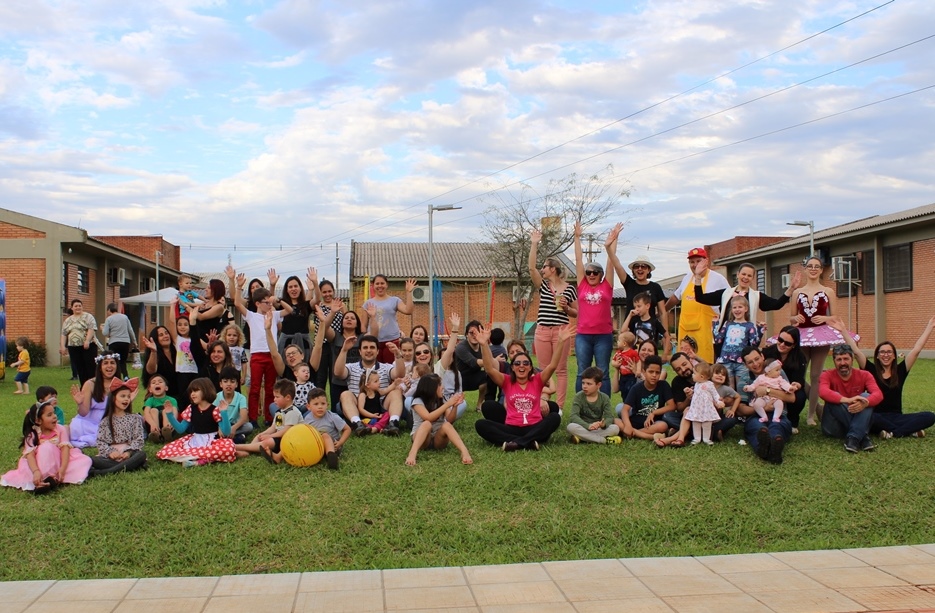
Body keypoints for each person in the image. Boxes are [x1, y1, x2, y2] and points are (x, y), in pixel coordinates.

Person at [833, 317, 935, 439]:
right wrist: (843, 330)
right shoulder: (870, 369)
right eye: (882, 352)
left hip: (897, 416)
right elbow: (856, 352)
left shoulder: (900, 370)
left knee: (930, 416)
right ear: (877, 356)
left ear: (893, 356)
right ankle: (908, 431)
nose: (885, 355)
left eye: (889, 352)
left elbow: (916, 350)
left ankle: (893, 432)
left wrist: (930, 327)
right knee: (869, 419)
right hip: (876, 416)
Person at [474, 324, 572, 451]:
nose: (522, 366)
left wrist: (560, 342)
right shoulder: (507, 381)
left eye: (526, 363)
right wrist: (483, 344)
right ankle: (529, 441)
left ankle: (515, 443)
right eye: (517, 363)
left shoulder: (537, 380)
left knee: (554, 418)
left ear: (530, 367)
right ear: (513, 367)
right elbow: (489, 369)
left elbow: (552, 366)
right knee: (480, 425)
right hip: (511, 426)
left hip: (534, 425)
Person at [793, 255, 857, 426]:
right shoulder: (797, 292)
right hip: (803, 335)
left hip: (821, 335)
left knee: (815, 375)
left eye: (817, 266)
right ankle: (815, 406)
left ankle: (811, 415)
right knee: (798, 373)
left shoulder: (828, 291)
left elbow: (835, 316)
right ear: (805, 269)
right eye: (810, 266)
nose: (813, 269)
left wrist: (824, 318)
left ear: (821, 270)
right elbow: (790, 317)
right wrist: (795, 318)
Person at [694, 261, 801, 351]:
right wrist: (698, 276)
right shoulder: (725, 293)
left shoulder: (756, 296)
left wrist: (791, 289)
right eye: (743, 274)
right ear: (738, 274)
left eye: (749, 275)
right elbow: (700, 298)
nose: (746, 277)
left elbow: (777, 305)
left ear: (752, 278)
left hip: (746, 341)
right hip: (723, 341)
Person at [227, 265, 285, 425]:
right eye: (265, 302)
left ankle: (268, 417)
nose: (268, 304)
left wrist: (275, 296)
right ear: (258, 303)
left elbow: (286, 309)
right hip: (257, 355)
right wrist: (238, 286)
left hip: (272, 355)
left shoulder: (273, 314)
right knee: (254, 388)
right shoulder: (251, 316)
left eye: (269, 301)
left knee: (271, 388)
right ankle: (252, 418)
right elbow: (238, 303)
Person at [529, 228, 578, 406]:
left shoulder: (570, 288)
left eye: (545, 267)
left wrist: (566, 308)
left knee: (561, 369)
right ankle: (544, 402)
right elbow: (531, 268)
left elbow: (576, 312)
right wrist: (534, 243)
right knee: (543, 370)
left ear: (553, 269)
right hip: (542, 331)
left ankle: (559, 406)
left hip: (561, 331)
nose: (542, 270)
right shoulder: (543, 285)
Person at [1, 399, 92, 492]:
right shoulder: (32, 435)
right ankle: (44, 480)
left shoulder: (60, 429)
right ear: (39, 421)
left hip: (59, 462)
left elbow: (65, 449)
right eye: (49, 415)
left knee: (85, 461)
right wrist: (36, 471)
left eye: (54, 413)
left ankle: (55, 477)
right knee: (45, 448)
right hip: (39, 466)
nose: (54, 417)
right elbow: (30, 455)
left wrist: (63, 469)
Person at [572, 221, 618, 395]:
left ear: (601, 276)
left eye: (595, 273)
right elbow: (578, 259)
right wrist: (577, 237)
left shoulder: (607, 286)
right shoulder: (582, 285)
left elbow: (611, 262)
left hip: (603, 337)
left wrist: (614, 239)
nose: (591, 275)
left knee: (603, 373)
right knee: (581, 372)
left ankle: (603, 407)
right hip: (583, 335)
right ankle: (581, 405)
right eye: (588, 272)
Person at [334, 334, 407, 436]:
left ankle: (393, 424)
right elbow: (337, 373)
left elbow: (400, 374)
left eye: (372, 347)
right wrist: (344, 350)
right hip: (357, 408)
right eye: (365, 348)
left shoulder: (386, 367)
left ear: (377, 351)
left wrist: (397, 354)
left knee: (396, 392)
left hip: (381, 407)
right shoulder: (351, 367)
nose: (368, 350)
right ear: (360, 351)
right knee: (345, 394)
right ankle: (358, 425)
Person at [666, 248, 730, 364]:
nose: (695, 265)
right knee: (685, 364)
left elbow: (730, 301)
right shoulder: (687, 278)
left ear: (706, 261)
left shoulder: (718, 279)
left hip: (707, 332)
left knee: (705, 366)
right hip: (685, 331)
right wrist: (663, 310)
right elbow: (676, 297)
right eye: (692, 262)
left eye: (698, 261)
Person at [818, 344, 882, 453]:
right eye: (839, 359)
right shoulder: (827, 375)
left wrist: (866, 403)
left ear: (852, 359)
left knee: (866, 398)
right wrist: (846, 400)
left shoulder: (865, 375)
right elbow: (822, 392)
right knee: (833, 397)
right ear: (834, 361)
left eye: (846, 359)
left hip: (856, 420)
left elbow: (878, 394)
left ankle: (853, 437)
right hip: (834, 427)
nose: (843, 363)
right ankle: (862, 436)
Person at [157, 377, 236, 465]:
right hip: (195, 440)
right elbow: (180, 429)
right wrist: (169, 414)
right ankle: (202, 458)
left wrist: (224, 412)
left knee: (227, 449)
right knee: (166, 450)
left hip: (212, 441)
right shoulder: (191, 409)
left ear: (206, 390)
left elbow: (226, 432)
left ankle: (196, 462)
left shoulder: (215, 410)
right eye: (191, 391)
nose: (192, 394)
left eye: (195, 391)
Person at [739, 347, 795, 464]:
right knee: (758, 428)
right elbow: (740, 409)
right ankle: (765, 449)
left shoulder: (777, 371)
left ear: (762, 357)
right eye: (750, 362)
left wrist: (767, 390)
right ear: (745, 365)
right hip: (756, 415)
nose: (755, 364)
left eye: (757, 359)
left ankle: (774, 445)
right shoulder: (744, 379)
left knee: (777, 427)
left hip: (779, 415)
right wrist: (763, 408)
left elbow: (791, 397)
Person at [405, 374, 473, 466]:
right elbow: (428, 417)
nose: (443, 387)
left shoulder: (441, 400)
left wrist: (455, 406)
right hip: (422, 440)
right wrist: (448, 404)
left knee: (447, 425)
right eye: (440, 385)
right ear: (431, 388)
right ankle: (412, 453)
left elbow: (450, 419)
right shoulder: (418, 401)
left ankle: (464, 451)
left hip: (438, 440)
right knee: (427, 424)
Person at [90, 378, 147, 477]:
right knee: (92, 460)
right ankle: (130, 466)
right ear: (113, 398)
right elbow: (101, 441)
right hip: (111, 457)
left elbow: (138, 439)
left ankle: (105, 472)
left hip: (129, 454)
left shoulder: (134, 418)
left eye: (128, 397)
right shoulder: (105, 421)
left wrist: (128, 452)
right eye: (123, 396)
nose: (126, 399)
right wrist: (110, 452)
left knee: (141, 455)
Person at [236, 379, 302, 461]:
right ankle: (247, 451)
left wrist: (270, 436)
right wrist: (264, 434)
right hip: (279, 438)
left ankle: (237, 446)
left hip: (289, 440)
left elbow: (286, 431)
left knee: (267, 442)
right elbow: (274, 427)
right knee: (259, 436)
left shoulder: (292, 412)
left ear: (288, 397)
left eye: (277, 397)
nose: (274, 400)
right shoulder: (279, 412)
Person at [615, 355, 674, 442]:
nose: (654, 375)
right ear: (644, 371)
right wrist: (628, 425)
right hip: (637, 419)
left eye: (657, 372)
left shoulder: (663, 385)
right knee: (615, 421)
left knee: (663, 426)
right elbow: (625, 409)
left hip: (653, 422)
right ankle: (649, 436)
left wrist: (653, 413)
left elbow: (672, 406)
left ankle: (633, 433)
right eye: (651, 372)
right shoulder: (636, 388)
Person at [360, 275, 417, 364]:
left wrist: (409, 292)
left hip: (392, 341)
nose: (380, 286)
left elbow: (408, 310)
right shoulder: (368, 303)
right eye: (377, 284)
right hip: (374, 342)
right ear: (373, 285)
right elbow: (363, 325)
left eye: (382, 283)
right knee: (375, 369)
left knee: (391, 369)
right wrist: (365, 338)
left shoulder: (394, 300)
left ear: (387, 285)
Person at [69, 353, 121, 448]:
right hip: (89, 422)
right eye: (105, 363)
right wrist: (80, 403)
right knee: (74, 427)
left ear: (117, 366)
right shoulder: (90, 384)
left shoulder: (121, 385)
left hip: (110, 421)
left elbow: (121, 412)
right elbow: (84, 412)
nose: (109, 366)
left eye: (112, 363)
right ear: (100, 367)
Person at [762, 326, 808, 432]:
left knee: (800, 396)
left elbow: (799, 379)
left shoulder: (799, 357)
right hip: (768, 385)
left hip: (788, 387)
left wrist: (796, 385)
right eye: (780, 340)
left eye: (787, 343)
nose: (782, 344)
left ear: (794, 345)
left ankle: (792, 420)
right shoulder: (768, 352)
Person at [714, 295, 761, 390]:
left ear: (746, 309)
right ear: (731, 310)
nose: (737, 309)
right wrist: (715, 325)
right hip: (726, 360)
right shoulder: (727, 323)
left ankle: (742, 404)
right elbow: (718, 340)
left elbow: (754, 344)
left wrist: (760, 330)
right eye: (734, 307)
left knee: (741, 388)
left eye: (740, 307)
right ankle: (732, 405)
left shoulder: (749, 325)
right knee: (729, 389)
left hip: (741, 362)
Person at [567, 367, 621, 444]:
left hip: (597, 428)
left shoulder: (604, 397)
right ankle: (604, 440)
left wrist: (603, 424)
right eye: (583, 383)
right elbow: (573, 416)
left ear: (598, 385)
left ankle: (582, 437)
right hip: (583, 426)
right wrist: (588, 426)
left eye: (589, 384)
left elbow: (609, 417)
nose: (584, 386)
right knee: (571, 427)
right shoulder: (578, 396)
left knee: (615, 428)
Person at [310, 274, 344, 394]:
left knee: (335, 377)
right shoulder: (318, 306)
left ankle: (335, 407)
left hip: (336, 345)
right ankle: (318, 402)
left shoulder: (341, 305)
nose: (327, 294)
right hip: (321, 346)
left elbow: (345, 323)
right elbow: (322, 326)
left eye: (330, 291)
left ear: (334, 291)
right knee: (320, 377)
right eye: (324, 292)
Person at [303, 388, 350, 460]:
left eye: (323, 403)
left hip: (334, 446)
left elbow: (347, 429)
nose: (320, 407)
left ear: (327, 405)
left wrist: (340, 442)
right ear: (308, 407)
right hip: (317, 446)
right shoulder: (307, 418)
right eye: (316, 404)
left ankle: (331, 457)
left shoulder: (333, 417)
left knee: (324, 435)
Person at [60, 298, 99, 385]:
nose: (78, 307)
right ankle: (84, 386)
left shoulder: (88, 317)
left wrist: (87, 341)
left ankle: (93, 385)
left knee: (90, 367)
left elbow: (91, 329)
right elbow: (63, 334)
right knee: (80, 367)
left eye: (79, 306)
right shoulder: (68, 320)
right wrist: (62, 346)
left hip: (88, 346)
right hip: (73, 347)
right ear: (72, 308)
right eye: (76, 306)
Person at [455, 320, 492, 408]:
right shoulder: (461, 347)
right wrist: (493, 361)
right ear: (466, 335)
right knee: (459, 407)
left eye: (477, 332)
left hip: (475, 375)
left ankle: (480, 405)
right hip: (459, 378)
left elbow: (490, 359)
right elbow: (474, 363)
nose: (475, 335)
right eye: (472, 332)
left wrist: (485, 343)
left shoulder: (483, 345)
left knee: (489, 376)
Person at [684, 363, 723, 445]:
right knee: (696, 423)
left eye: (694, 373)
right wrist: (689, 391)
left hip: (706, 408)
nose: (692, 375)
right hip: (696, 408)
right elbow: (695, 392)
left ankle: (706, 438)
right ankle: (697, 438)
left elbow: (715, 394)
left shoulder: (709, 384)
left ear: (701, 376)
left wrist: (719, 401)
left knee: (707, 424)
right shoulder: (696, 384)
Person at [277, 273, 314, 361]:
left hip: (304, 344)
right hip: (286, 344)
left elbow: (317, 300)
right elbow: (270, 302)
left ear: (300, 288)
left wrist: (314, 286)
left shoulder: (305, 305)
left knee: (303, 369)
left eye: (295, 286)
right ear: (286, 290)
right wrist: (272, 285)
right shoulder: (282, 305)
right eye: (290, 287)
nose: (293, 289)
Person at [622, 292, 670, 357]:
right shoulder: (635, 321)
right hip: (637, 355)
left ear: (647, 306)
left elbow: (667, 336)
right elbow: (623, 331)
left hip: (651, 356)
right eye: (635, 307)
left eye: (639, 306)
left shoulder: (655, 322)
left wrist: (665, 353)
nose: (636, 309)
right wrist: (630, 316)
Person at [356, 370, 402, 435]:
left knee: (387, 414)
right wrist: (372, 415)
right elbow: (361, 409)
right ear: (368, 385)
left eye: (378, 380)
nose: (379, 383)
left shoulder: (377, 392)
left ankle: (375, 429)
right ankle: (378, 428)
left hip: (378, 418)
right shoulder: (363, 395)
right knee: (364, 423)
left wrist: (394, 384)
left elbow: (386, 390)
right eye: (376, 381)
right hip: (368, 419)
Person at [215, 366, 251, 444]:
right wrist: (219, 428)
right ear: (221, 384)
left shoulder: (241, 398)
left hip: (235, 425)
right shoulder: (217, 397)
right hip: (221, 424)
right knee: (208, 426)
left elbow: (244, 417)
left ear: (237, 384)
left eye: (232, 381)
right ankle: (235, 439)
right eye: (225, 381)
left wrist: (233, 428)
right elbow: (212, 416)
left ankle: (223, 438)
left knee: (249, 427)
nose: (229, 384)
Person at [143, 325, 177, 400]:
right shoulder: (154, 355)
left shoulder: (177, 352)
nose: (165, 336)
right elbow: (151, 370)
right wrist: (153, 351)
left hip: (178, 395)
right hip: (160, 397)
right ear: (156, 339)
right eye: (161, 335)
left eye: (166, 333)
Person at [100, 304, 134, 379]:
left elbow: (105, 333)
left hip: (114, 342)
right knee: (123, 361)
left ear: (109, 310)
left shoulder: (109, 319)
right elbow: (130, 330)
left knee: (114, 360)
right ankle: (125, 376)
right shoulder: (125, 317)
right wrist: (134, 341)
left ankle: (116, 377)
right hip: (125, 342)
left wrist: (102, 328)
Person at [142, 374, 177, 444]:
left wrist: (172, 422)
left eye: (160, 382)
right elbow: (146, 413)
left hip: (169, 424)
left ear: (166, 388)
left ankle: (167, 432)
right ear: (150, 390)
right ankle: (156, 434)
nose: (157, 383)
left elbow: (175, 411)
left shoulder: (172, 400)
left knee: (165, 411)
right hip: (153, 424)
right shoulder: (150, 400)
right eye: (153, 382)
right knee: (153, 410)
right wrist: (152, 424)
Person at [610, 331, 639, 403]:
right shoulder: (618, 352)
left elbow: (638, 361)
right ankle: (625, 402)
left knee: (629, 389)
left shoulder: (633, 352)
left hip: (631, 375)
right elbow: (612, 361)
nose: (617, 342)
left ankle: (629, 403)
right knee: (623, 389)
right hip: (622, 375)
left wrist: (637, 370)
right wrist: (616, 364)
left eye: (619, 340)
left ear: (624, 343)